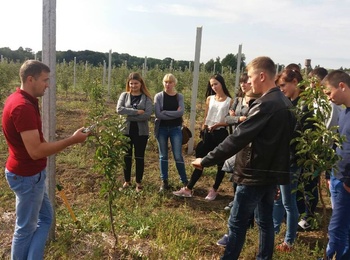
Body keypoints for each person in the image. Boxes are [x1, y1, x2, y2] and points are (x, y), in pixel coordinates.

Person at [192, 56, 296, 260]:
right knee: (265, 222)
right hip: (269, 175)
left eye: (250, 76)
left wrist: (205, 160)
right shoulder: (284, 102)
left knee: (237, 223)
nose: (248, 81)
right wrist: (278, 177)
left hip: (253, 174)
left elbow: (238, 138)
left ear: (262, 76)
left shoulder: (265, 104)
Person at [2, 60, 90, 260]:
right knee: (25, 228)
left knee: (45, 218)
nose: (48, 84)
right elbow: (36, 151)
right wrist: (73, 140)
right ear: (30, 79)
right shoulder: (22, 107)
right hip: (28, 177)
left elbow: (35, 142)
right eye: (45, 80)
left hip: (29, 175)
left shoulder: (20, 99)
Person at [173, 74, 232, 200]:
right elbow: (206, 116)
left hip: (221, 133)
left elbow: (230, 121)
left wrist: (218, 125)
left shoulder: (229, 101)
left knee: (220, 162)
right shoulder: (210, 99)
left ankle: (214, 189)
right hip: (208, 133)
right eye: (212, 85)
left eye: (216, 83)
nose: (214, 87)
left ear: (222, 83)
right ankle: (189, 188)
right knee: (200, 160)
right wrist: (203, 128)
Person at [217, 73, 260, 247]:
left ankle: (246, 220)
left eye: (247, 82)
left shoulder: (257, 102)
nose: (243, 85)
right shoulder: (237, 101)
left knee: (246, 184)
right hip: (236, 145)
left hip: (248, 147)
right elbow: (227, 119)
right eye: (241, 82)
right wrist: (238, 118)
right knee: (235, 181)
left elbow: (251, 122)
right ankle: (241, 211)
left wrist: (239, 119)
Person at [273, 69, 305, 252]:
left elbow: (299, 138)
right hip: (283, 159)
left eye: (283, 85)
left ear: (294, 82)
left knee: (289, 202)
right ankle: (276, 230)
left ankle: (289, 241)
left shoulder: (303, 106)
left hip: (292, 161)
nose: (281, 89)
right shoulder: (291, 103)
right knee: (279, 199)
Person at [322, 70, 350, 260]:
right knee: (342, 225)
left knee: (337, 227)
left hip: (346, 180)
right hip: (338, 176)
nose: (328, 98)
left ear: (342, 86)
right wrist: (329, 173)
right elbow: (338, 144)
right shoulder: (344, 112)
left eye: (329, 92)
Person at [117, 72, 153, 192]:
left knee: (139, 157)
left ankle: (139, 182)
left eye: (136, 83)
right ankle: (127, 181)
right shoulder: (124, 95)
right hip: (125, 131)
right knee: (126, 156)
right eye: (131, 83)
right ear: (128, 84)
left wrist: (128, 115)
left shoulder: (147, 98)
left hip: (141, 132)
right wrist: (136, 112)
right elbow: (119, 110)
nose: (133, 86)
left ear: (140, 83)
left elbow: (147, 115)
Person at [154, 73, 188, 191]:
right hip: (161, 129)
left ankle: (184, 181)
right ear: (163, 83)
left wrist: (165, 113)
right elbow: (158, 114)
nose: (167, 84)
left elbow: (181, 112)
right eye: (166, 82)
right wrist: (172, 113)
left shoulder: (179, 97)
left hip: (175, 128)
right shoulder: (158, 96)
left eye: (170, 82)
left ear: (174, 83)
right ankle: (164, 181)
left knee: (178, 155)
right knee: (163, 155)